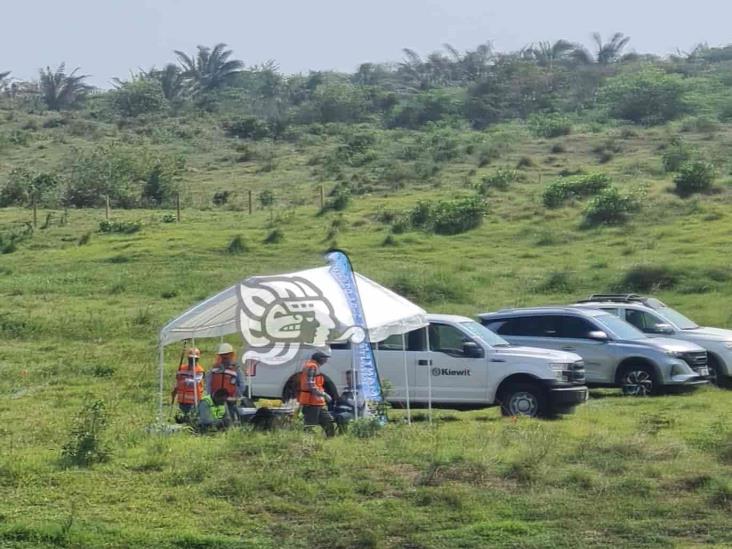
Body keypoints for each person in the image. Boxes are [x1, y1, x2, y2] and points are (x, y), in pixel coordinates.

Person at [298, 351, 336, 437]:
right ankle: (307, 444)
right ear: (319, 358)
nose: (326, 360)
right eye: (324, 358)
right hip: (311, 402)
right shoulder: (312, 366)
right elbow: (310, 385)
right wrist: (324, 394)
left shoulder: (313, 366)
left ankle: (331, 441)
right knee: (310, 425)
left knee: (328, 421)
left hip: (317, 402)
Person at [206, 343, 246, 422]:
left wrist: (236, 396)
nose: (225, 358)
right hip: (216, 399)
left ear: (231, 355)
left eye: (226, 355)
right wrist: (210, 395)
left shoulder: (236, 369)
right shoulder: (215, 368)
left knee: (231, 418)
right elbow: (208, 383)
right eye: (223, 355)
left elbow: (242, 385)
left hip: (230, 400)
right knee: (217, 419)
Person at [170, 348, 204, 423]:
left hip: (193, 400)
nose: (192, 360)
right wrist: (175, 388)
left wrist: (183, 380)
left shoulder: (199, 370)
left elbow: (194, 383)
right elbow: (178, 381)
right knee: (182, 418)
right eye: (190, 358)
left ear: (198, 359)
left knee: (191, 419)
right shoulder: (182, 368)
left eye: (194, 359)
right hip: (182, 399)